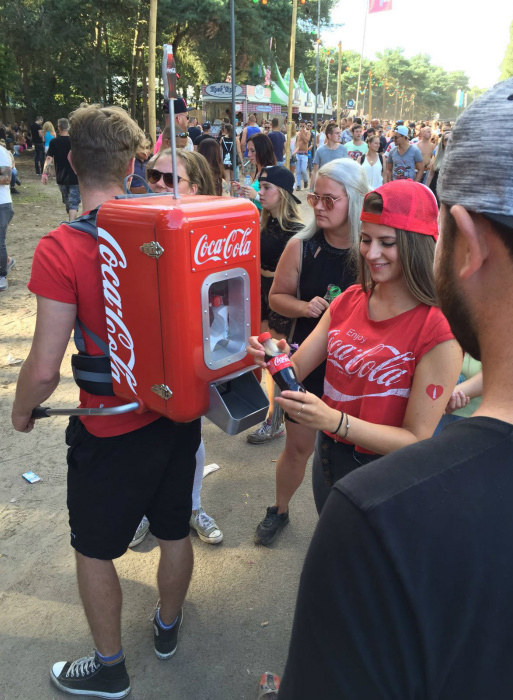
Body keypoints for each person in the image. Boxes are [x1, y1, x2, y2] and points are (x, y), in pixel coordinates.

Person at [273, 77, 513, 700]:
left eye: (386, 243)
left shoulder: (438, 329)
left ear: (417, 245)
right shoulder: (350, 299)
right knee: (349, 581)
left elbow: (417, 442)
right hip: (333, 468)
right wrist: (268, 359)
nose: (373, 255)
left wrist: (335, 422)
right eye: (368, 241)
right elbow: (296, 369)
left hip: (377, 471)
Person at [11, 104, 202, 699]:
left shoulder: (60, 247)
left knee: (94, 550)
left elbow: (43, 369)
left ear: (72, 161)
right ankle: (167, 629)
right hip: (178, 414)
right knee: (174, 530)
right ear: (133, 162)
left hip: (111, 427)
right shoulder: (172, 224)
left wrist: (20, 413)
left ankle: (111, 668)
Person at [251, 159, 369, 542]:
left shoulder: (373, 250)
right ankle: (279, 509)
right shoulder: (301, 245)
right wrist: (305, 308)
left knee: (354, 455)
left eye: (328, 199)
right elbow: (276, 297)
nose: (318, 206)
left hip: (356, 370)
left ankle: (346, 530)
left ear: (354, 200)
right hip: (306, 364)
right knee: (298, 448)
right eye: (314, 196)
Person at [141, 146, 223, 546]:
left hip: (191, 350)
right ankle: (144, 509)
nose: (158, 184)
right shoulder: (133, 222)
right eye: (153, 175)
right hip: (142, 350)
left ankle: (191, 507)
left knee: (189, 434)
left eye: (171, 180)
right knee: (141, 436)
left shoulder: (215, 229)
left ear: (196, 187)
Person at [247, 166, 304, 444]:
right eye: (260, 186)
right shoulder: (261, 221)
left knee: (277, 362)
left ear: (282, 193)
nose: (261, 192)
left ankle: (275, 421)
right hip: (258, 293)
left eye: (266, 187)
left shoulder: (297, 231)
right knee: (263, 356)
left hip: (278, 297)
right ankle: (271, 415)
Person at [41, 118, 81, 221]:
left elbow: (49, 158)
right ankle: (72, 220)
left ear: (58, 128)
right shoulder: (75, 141)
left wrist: (44, 173)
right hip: (75, 177)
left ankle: (72, 225)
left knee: (70, 202)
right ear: (68, 127)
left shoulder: (54, 142)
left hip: (61, 177)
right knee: (72, 203)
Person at [241, 133, 276, 211]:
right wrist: (242, 190)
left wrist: (256, 196)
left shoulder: (271, 172)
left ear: (262, 150)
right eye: (247, 150)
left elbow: (275, 202)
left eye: (252, 151)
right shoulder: (259, 170)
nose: (249, 154)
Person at [309, 123, 347, 191]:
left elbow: (346, 170)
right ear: (329, 135)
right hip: (323, 187)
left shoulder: (343, 149)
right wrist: (311, 189)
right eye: (337, 133)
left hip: (338, 188)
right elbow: (315, 171)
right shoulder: (320, 151)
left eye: (339, 133)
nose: (339, 135)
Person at [0, 141, 15, 291]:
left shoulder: (1, 152)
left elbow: (6, 179)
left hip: (2, 204)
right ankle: (7, 261)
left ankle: (2, 275)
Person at [427, 130, 451, 204]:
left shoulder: (458, 157)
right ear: (443, 142)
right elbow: (431, 175)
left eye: (451, 139)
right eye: (446, 139)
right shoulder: (437, 156)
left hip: (449, 190)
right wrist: (426, 190)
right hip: (435, 187)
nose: (449, 141)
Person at [292, 123, 310, 191]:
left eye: (303, 126)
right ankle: (298, 185)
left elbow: (306, 141)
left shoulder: (308, 133)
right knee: (298, 171)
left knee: (303, 170)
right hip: (298, 153)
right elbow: (296, 143)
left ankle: (305, 180)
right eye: (300, 126)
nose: (302, 127)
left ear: (305, 126)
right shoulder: (297, 134)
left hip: (304, 154)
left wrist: (302, 133)